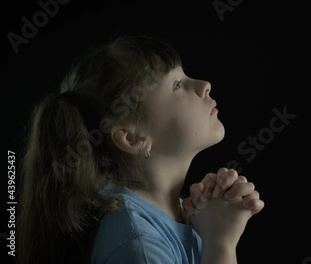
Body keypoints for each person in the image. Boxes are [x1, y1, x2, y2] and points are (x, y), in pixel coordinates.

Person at [17, 33, 265, 264]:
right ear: (133, 137)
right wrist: (221, 242)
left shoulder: (175, 212)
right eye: (177, 85)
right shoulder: (139, 247)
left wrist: (211, 222)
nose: (204, 85)